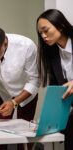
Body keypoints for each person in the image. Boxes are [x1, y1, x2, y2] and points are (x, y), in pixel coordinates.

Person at [0, 27, 39, 150]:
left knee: (25, 136)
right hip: (3, 91)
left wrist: (15, 102)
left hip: (26, 92)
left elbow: (34, 81)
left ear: (5, 43)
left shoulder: (26, 46)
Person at [36, 9, 73, 150]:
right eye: (40, 33)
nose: (43, 36)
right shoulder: (52, 54)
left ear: (60, 26)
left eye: (46, 30)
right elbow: (57, 91)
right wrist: (47, 119)